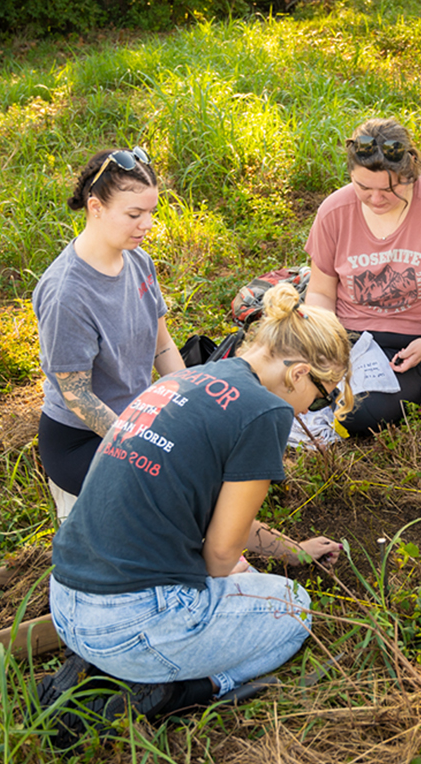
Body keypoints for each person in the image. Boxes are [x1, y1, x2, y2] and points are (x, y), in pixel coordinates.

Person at [41, 282, 352, 730]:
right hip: (129, 622)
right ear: (299, 373)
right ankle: (189, 690)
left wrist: (292, 551)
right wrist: (248, 582)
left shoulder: (182, 379)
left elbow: (212, 515)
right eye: (324, 395)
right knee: (294, 608)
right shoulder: (266, 412)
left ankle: (114, 665)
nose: (317, 407)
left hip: (67, 603)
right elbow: (221, 555)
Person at [304, 118, 421, 435]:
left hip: (415, 347)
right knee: (276, 380)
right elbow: (321, 292)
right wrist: (324, 347)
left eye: (390, 189)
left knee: (357, 414)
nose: (376, 199)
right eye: (363, 188)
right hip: (346, 338)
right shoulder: (334, 210)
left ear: (411, 173)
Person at [33, 147, 185, 520]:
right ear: (95, 207)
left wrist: (191, 402)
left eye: (151, 212)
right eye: (134, 214)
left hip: (139, 414)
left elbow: (162, 345)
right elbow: (77, 396)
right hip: (80, 438)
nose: (146, 224)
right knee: (166, 492)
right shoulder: (67, 293)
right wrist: (138, 445)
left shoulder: (139, 261)